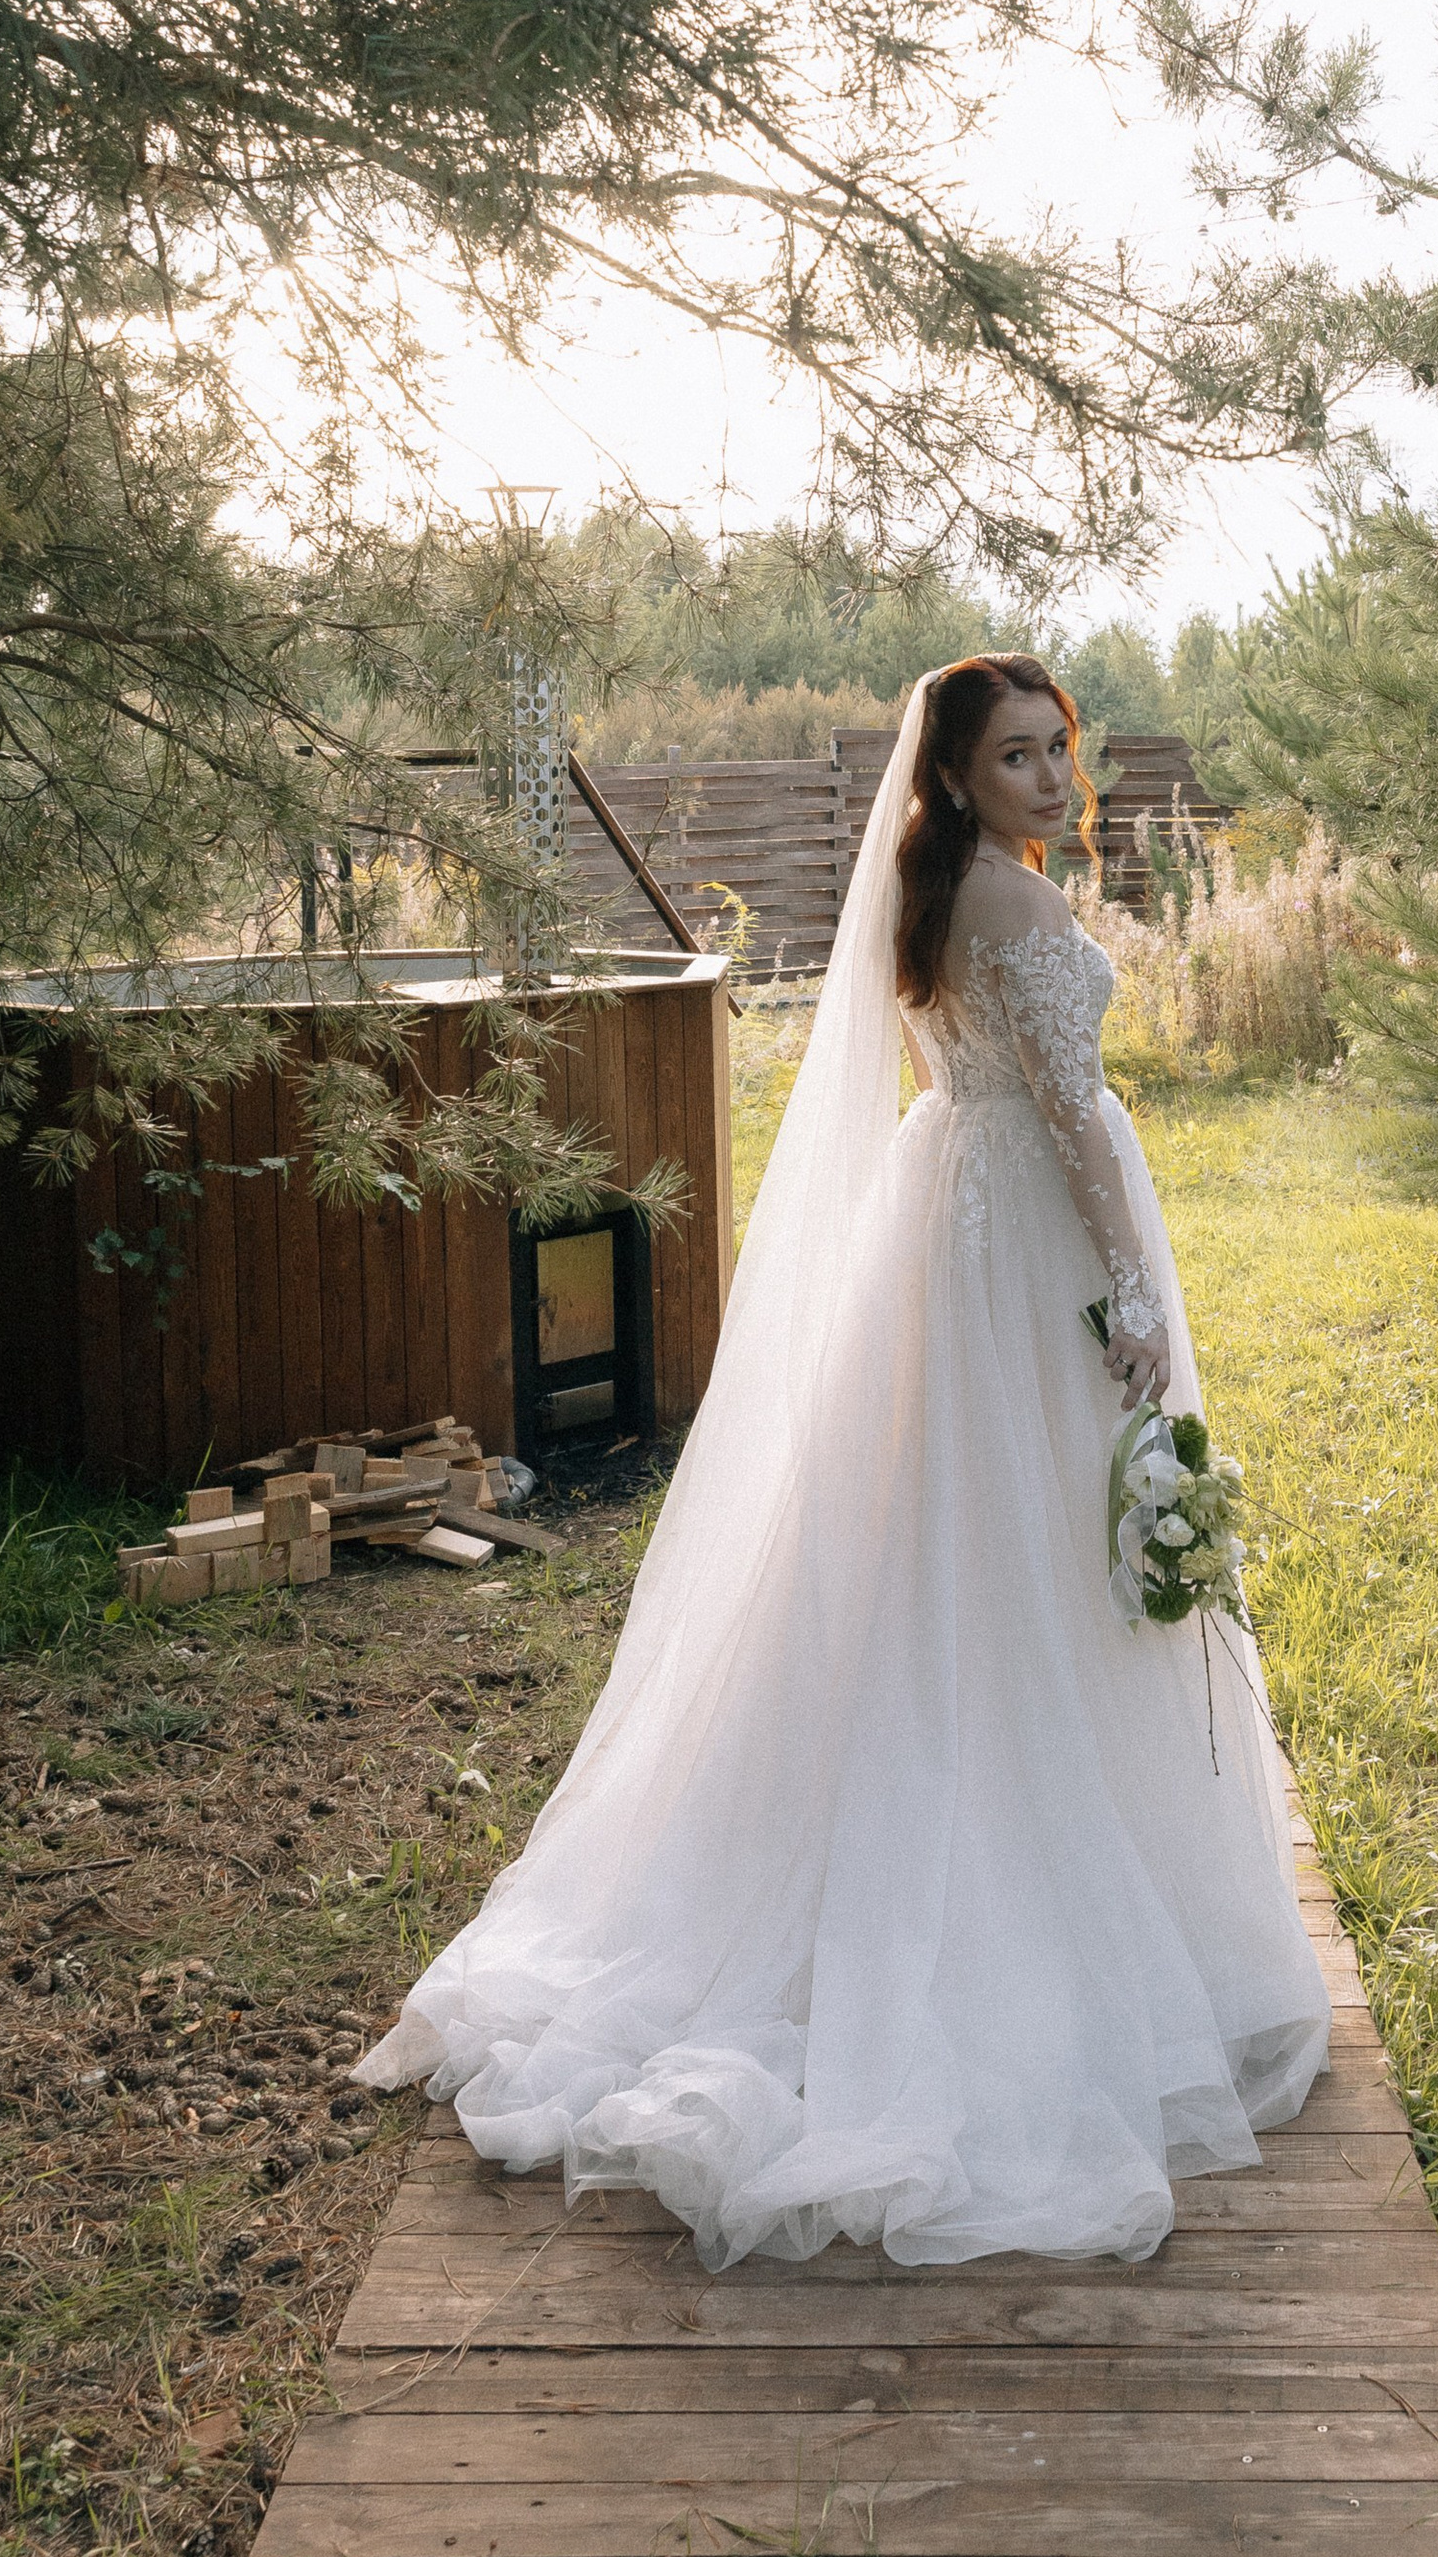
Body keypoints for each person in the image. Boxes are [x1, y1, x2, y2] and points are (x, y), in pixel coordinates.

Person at [353, 655, 1331, 2264]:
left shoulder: (927, 885)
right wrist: (1134, 1302)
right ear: (952, 774)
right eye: (1016, 757)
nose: (1047, 780)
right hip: (1025, 1236)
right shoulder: (1010, 906)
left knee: (943, 1530)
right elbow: (1077, 1117)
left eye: (1055, 752)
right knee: (1031, 1538)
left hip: (945, 1213)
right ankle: (1036, 1874)